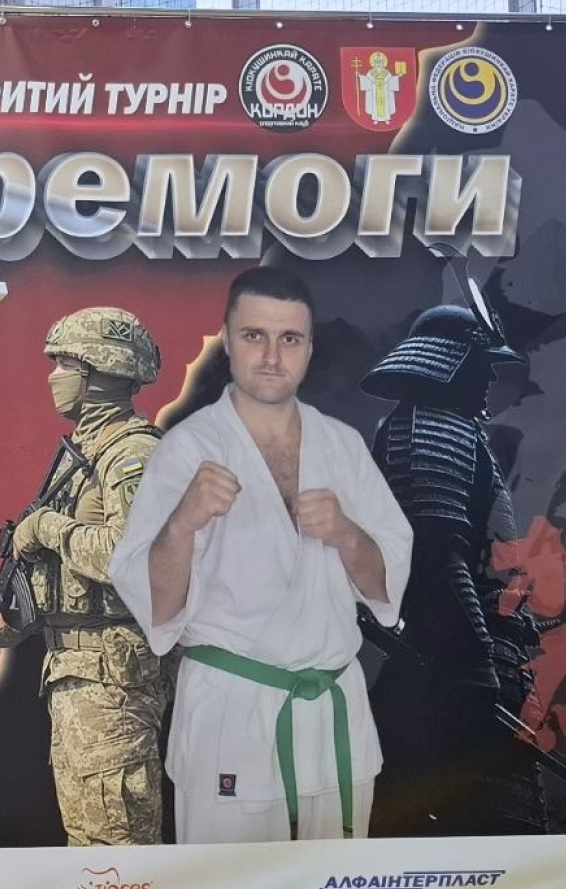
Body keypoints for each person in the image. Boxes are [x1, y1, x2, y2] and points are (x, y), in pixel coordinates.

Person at [109, 266, 412, 844]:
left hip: (333, 714)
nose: (272, 356)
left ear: (309, 348)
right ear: (227, 339)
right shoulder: (188, 450)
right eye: (255, 336)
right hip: (232, 713)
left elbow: (384, 589)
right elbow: (159, 611)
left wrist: (347, 533)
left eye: (289, 339)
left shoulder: (342, 446)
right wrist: (183, 522)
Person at [0, 307, 172, 845]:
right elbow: (67, 578)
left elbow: (130, 558)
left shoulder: (134, 455)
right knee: (87, 842)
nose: (54, 376)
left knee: (120, 845)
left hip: (114, 680)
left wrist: (48, 527)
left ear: (100, 370)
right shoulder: (81, 454)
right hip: (74, 671)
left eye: (65, 364)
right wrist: (14, 622)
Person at [362, 298, 545, 836]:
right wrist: (475, 662)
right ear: (448, 362)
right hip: (451, 656)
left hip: (454, 649)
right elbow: (437, 552)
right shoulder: (432, 429)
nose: (490, 377)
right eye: (480, 364)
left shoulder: (446, 428)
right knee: (488, 830)